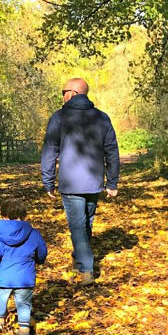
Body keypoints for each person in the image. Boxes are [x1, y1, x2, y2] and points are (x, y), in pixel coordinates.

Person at [41, 78, 120, 285]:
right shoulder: (102, 118)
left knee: (78, 225)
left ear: (73, 93)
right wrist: (111, 182)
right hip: (94, 182)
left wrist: (48, 181)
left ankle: (86, 269)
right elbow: (111, 151)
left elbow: (50, 150)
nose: (62, 96)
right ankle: (79, 259)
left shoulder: (59, 117)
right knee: (85, 223)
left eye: (63, 91)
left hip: (71, 183)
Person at [0, 199, 47, 335]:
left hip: (5, 277)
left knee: (2, 297)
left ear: (3, 216)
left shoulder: (0, 236)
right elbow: (42, 252)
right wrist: (39, 260)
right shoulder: (33, 234)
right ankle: (24, 329)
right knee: (24, 302)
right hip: (25, 277)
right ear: (24, 216)